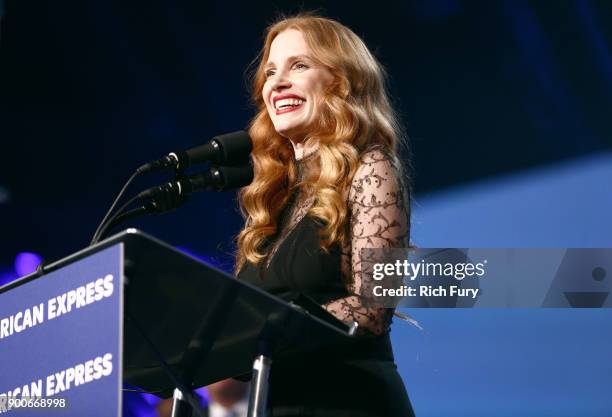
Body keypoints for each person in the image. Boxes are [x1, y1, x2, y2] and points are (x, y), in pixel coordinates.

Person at [235, 13, 415, 417]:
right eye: (269, 72)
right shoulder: (272, 203)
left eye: (299, 66)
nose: (276, 82)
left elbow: (372, 308)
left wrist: (265, 330)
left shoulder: (371, 168)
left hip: (351, 402)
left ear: (342, 80)